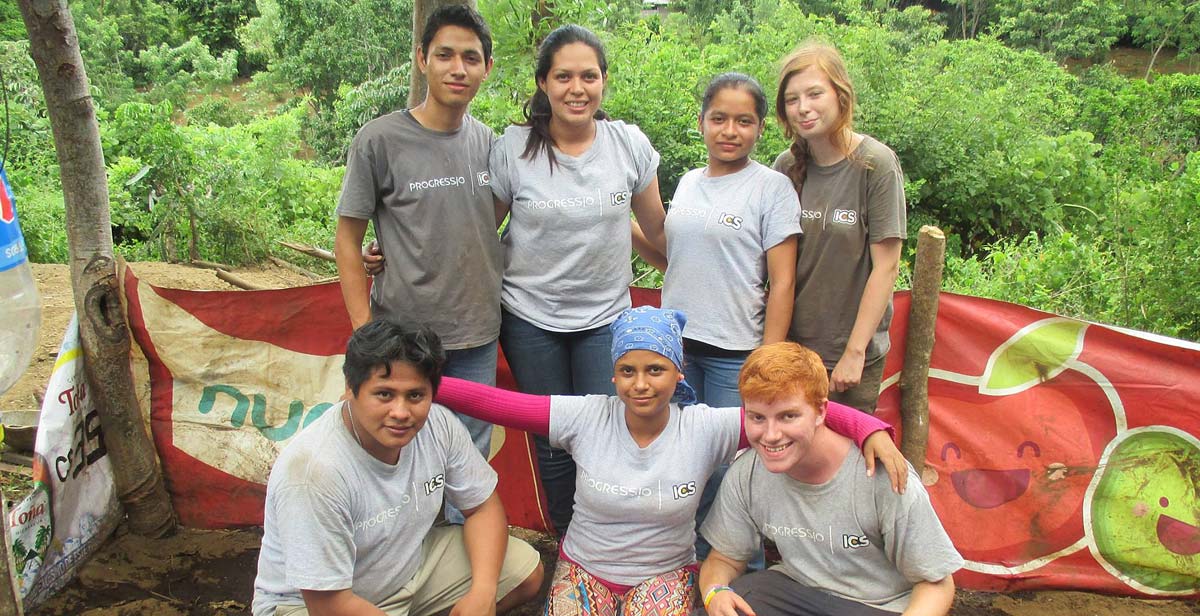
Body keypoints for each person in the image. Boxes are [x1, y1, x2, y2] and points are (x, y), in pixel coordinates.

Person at [432, 306, 910, 616]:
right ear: (614, 376)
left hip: (664, 575)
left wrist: (869, 428)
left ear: (677, 372)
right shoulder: (585, 416)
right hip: (583, 569)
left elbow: (795, 412)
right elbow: (495, 404)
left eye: (655, 369)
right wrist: (423, 388)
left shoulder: (703, 427)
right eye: (627, 371)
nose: (641, 384)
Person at [488, 24, 669, 537]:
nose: (577, 88)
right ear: (544, 82)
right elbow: (479, 230)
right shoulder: (514, 149)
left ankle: (607, 533)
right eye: (563, 76)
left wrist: (722, 268)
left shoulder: (627, 145)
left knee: (608, 429)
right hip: (528, 316)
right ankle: (568, 539)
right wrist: (391, 252)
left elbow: (657, 227)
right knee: (552, 437)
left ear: (603, 81)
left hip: (605, 316)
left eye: (589, 76)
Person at [251, 320, 543, 616]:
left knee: (523, 572)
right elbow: (328, 604)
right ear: (351, 389)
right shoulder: (314, 471)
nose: (401, 413)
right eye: (384, 394)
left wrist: (483, 592)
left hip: (406, 572)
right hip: (306, 605)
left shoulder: (438, 425)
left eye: (415, 395)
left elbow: (482, 508)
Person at [333, 5, 502, 478]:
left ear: (487, 68)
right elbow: (348, 239)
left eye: (470, 57)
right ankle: (403, 549)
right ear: (421, 58)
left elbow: (483, 223)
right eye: (444, 54)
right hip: (400, 338)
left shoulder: (491, 145)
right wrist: (365, 331)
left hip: (476, 334)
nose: (457, 68)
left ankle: (455, 548)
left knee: (467, 460)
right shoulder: (379, 140)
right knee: (396, 455)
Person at [650, 72, 802, 564]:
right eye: (719, 118)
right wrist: (619, 221)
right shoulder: (690, 182)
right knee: (679, 463)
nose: (729, 130)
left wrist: (767, 361)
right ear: (701, 123)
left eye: (743, 121)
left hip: (734, 353)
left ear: (760, 129)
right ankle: (683, 566)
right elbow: (677, 258)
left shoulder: (771, 188)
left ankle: (742, 571)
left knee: (729, 470)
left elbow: (782, 282)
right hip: (676, 350)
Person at [698, 342, 962, 616]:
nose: (771, 434)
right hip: (794, 591)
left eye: (788, 416)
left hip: (876, 605)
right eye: (757, 418)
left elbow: (937, 583)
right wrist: (715, 591)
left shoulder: (882, 473)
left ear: (821, 412)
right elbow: (723, 558)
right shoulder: (748, 472)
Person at [773, 41, 907, 413]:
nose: (803, 108)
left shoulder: (875, 164)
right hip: (793, 351)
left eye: (815, 94)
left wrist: (854, 352)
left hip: (852, 356)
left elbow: (886, 267)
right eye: (792, 99)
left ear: (840, 94)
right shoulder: (785, 167)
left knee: (844, 460)